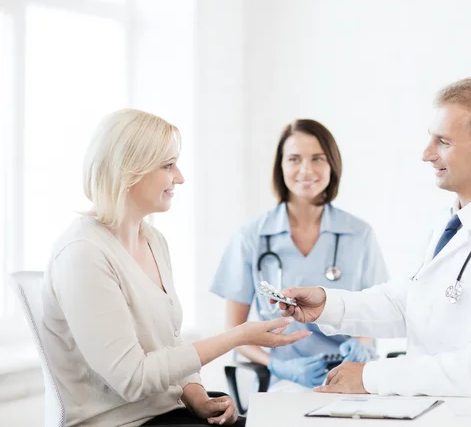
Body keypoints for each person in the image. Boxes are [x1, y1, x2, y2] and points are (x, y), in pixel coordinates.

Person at [275, 78, 471, 397]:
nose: (426, 154)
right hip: (436, 407)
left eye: (443, 142)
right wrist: (328, 305)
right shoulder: (453, 222)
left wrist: (370, 377)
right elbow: (408, 303)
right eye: (430, 139)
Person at [40, 109, 310, 427]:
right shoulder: (83, 254)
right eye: (168, 166)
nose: (179, 177)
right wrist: (235, 337)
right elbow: (133, 379)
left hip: (167, 411)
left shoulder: (153, 240)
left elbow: (170, 344)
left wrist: (195, 395)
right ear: (129, 170)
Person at [210, 119, 389, 391]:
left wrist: (362, 345)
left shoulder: (360, 235)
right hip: (288, 379)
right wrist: (277, 365)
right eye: (294, 159)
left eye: (317, 158)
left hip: (353, 373)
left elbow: (380, 311)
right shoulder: (251, 238)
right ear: (280, 166)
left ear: (332, 164)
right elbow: (233, 331)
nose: (306, 170)